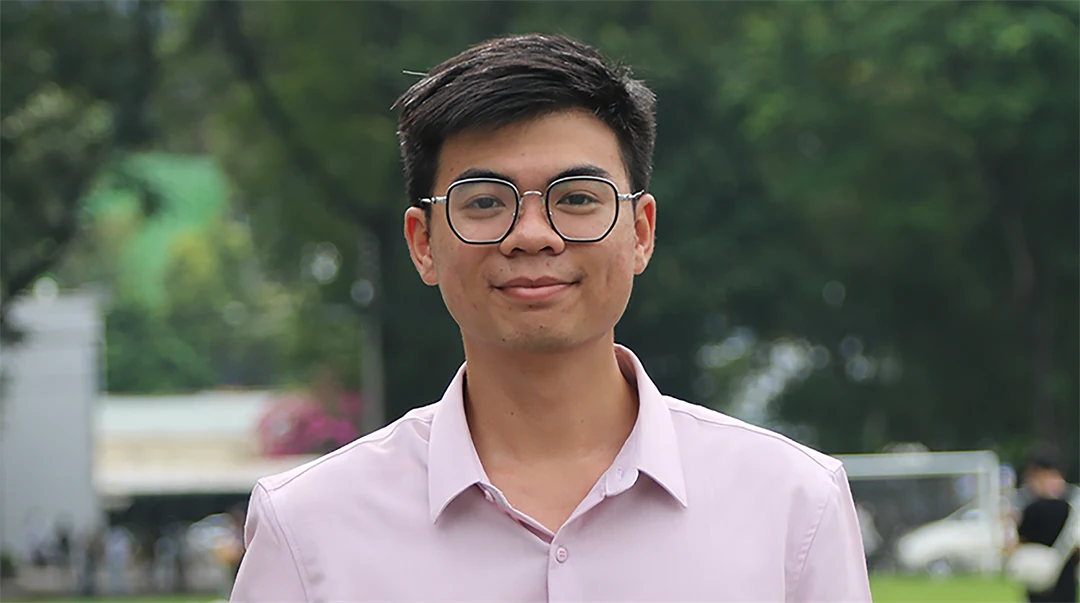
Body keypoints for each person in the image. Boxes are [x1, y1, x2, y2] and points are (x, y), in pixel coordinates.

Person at [230, 33, 871, 602]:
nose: (532, 235)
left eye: (577, 198)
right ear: (423, 242)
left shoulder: (793, 504)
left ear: (641, 231)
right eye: (483, 201)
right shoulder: (310, 527)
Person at [1015, 451, 1080, 603]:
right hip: (1065, 572)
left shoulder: (1031, 508)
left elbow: (1020, 541)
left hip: (1038, 574)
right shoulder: (1072, 507)